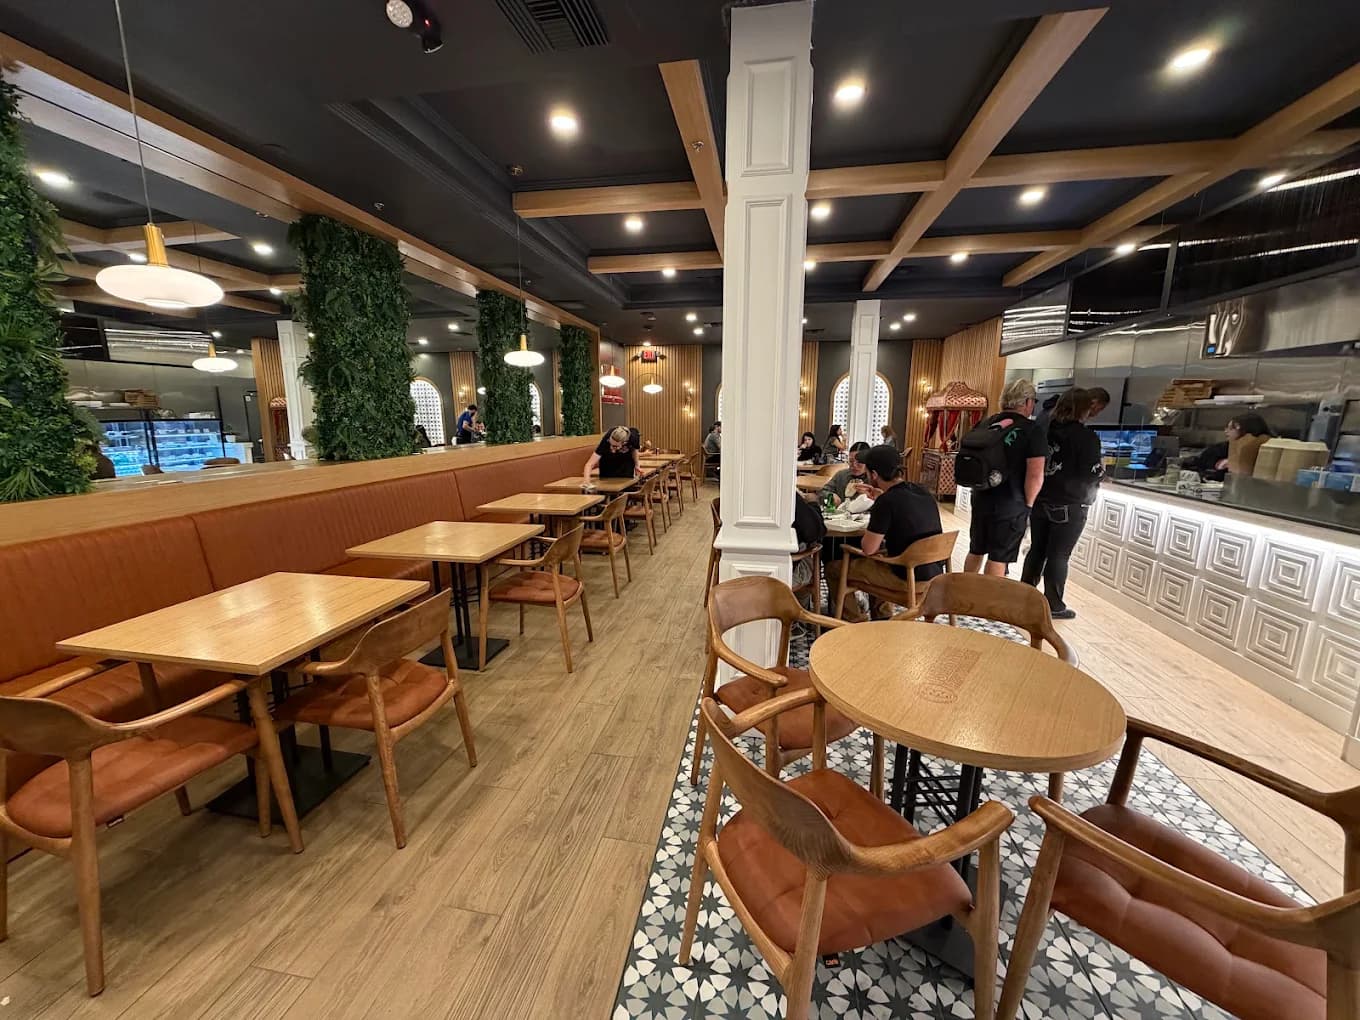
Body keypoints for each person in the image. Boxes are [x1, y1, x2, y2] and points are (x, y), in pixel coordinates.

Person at [1021, 388, 1104, 620]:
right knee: (1059, 555)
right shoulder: (1086, 437)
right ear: (1085, 409)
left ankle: (1024, 594)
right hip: (1070, 502)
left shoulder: (1044, 429)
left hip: (1040, 498)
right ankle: (1054, 605)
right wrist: (1102, 473)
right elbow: (1092, 472)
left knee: (1037, 549)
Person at [841, 445, 945, 620]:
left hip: (906, 577)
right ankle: (883, 618)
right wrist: (881, 497)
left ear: (873, 474)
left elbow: (868, 549)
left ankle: (853, 623)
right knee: (880, 560)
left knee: (834, 569)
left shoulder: (887, 502)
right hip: (934, 576)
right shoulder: (923, 491)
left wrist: (881, 503)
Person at [964, 378, 1047, 577]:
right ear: (1027, 402)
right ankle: (988, 606)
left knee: (976, 548)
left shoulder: (986, 423)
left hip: (981, 496)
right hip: (1011, 502)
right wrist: (1027, 505)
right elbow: (1035, 475)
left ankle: (962, 597)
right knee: (998, 556)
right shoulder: (1031, 430)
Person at [1185, 413, 1271, 481]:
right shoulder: (1219, 449)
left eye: (1231, 428)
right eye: (1227, 427)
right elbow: (1199, 463)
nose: (1226, 431)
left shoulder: (1266, 451)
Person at [820, 441, 873, 506]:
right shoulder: (841, 475)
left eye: (859, 462)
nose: (854, 465)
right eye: (851, 461)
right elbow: (822, 492)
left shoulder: (874, 479)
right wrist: (830, 496)